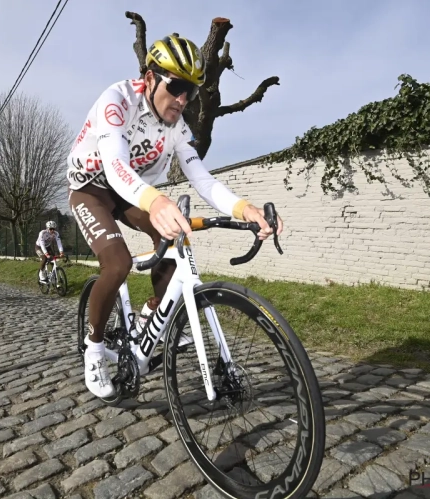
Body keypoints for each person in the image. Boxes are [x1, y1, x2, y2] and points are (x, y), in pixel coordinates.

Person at [67, 34, 284, 398]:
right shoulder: (117, 101)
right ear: (150, 78)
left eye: (192, 92)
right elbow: (116, 165)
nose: (183, 99)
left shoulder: (179, 128)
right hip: (92, 187)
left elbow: (202, 179)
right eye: (177, 86)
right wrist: (156, 201)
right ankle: (94, 347)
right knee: (117, 264)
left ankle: (152, 313)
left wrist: (245, 208)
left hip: (131, 192)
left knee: (173, 241)